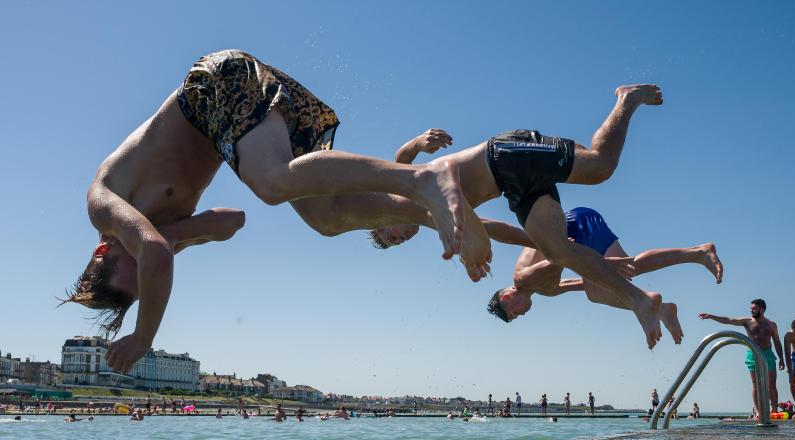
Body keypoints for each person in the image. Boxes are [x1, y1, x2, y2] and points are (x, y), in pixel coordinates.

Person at [63, 49, 487, 374]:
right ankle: (425, 211)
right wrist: (174, 236)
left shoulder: (103, 206)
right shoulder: (160, 236)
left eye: (131, 264)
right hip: (238, 127)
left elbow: (154, 253)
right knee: (324, 219)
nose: (146, 260)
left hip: (213, 86)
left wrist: (143, 336)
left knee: (270, 183)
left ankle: (420, 180)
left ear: (102, 252)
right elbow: (232, 221)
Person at [367, 85, 669, 348]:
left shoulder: (405, 196)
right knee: (559, 251)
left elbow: (401, 160)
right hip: (513, 190)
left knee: (600, 166)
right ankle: (640, 300)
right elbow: (493, 228)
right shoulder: (432, 216)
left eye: (390, 234)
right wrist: (545, 242)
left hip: (503, 157)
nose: (399, 239)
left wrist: (419, 143)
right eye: (396, 244)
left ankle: (627, 99)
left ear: (384, 218)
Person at [484, 207, 722, 340]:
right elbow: (580, 281)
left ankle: (656, 306)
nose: (522, 314)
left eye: (515, 313)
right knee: (628, 270)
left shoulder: (523, 279)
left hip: (572, 227)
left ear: (507, 298)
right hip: (580, 223)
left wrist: (602, 267)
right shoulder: (545, 290)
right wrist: (607, 271)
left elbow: (559, 255)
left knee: (599, 291)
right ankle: (698, 254)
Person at [699, 299, 784, 415]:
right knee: (756, 384)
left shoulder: (771, 324)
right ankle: (758, 411)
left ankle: (774, 410)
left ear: (762, 309)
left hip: (768, 354)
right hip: (752, 354)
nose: (751, 311)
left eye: (754, 308)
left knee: (772, 384)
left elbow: (777, 342)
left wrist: (781, 359)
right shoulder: (747, 321)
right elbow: (729, 320)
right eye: (751, 309)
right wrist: (712, 316)